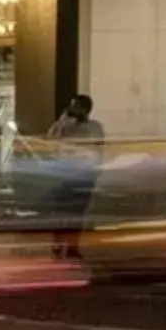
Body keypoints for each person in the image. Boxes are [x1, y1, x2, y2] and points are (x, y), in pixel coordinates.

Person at [44, 94, 104, 259]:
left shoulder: (95, 127)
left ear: (85, 109)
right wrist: (63, 120)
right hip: (67, 175)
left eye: (76, 106)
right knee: (61, 212)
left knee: (78, 214)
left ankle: (72, 247)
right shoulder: (66, 126)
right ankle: (58, 243)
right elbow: (51, 138)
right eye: (71, 105)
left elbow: (98, 150)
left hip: (85, 176)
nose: (72, 109)